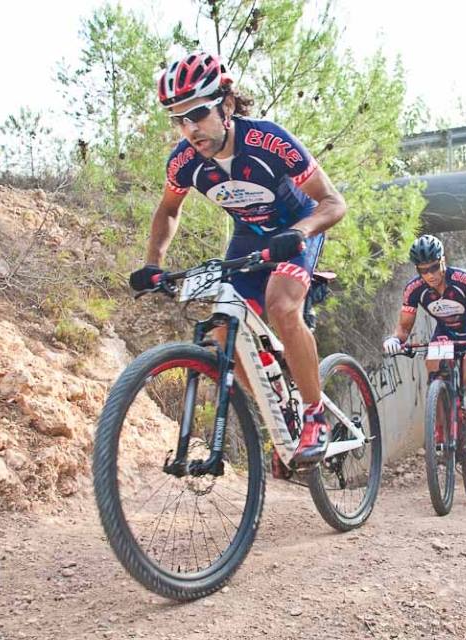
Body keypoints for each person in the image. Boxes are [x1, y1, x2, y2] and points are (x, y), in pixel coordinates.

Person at [128, 52, 347, 466]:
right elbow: (168, 210)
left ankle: (315, 414)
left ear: (227, 105)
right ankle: (278, 410)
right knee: (224, 334)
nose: (190, 129)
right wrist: (154, 263)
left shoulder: (267, 140)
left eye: (198, 114)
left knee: (282, 305)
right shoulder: (184, 161)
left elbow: (334, 202)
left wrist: (300, 232)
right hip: (249, 235)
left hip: (299, 224)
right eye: (179, 119)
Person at [382, 235, 466, 457]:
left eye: (433, 267)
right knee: (434, 373)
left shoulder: (464, 280)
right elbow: (404, 327)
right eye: (423, 270)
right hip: (444, 336)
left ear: (443, 260)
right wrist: (395, 340)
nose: (429, 275)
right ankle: (440, 432)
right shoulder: (414, 289)